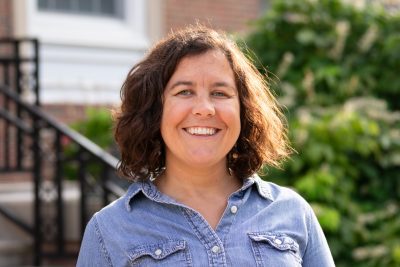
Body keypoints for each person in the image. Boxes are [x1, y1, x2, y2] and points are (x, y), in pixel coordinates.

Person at [77, 25, 335, 266]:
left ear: (243, 110)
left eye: (220, 93)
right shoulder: (109, 229)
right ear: (155, 110)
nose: (204, 109)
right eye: (184, 92)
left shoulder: (292, 212)